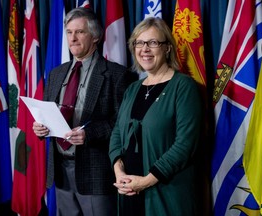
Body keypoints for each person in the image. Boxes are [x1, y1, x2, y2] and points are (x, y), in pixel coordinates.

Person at [33, 7, 135, 216]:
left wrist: (90, 133)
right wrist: (41, 127)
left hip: (95, 173)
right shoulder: (55, 74)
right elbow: (48, 113)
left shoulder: (117, 75)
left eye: (80, 32)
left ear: (95, 37)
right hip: (60, 170)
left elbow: (124, 124)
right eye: (69, 32)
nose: (73, 38)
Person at [109, 17, 203, 216]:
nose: (145, 49)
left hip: (166, 194)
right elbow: (117, 133)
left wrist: (145, 182)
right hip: (128, 192)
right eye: (139, 43)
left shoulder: (184, 87)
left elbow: (185, 145)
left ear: (167, 47)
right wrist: (119, 172)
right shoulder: (132, 89)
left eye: (153, 43)